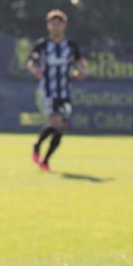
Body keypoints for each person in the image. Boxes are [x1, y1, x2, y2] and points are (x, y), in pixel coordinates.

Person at [27, 9, 85, 172]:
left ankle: (45, 159)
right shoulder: (43, 45)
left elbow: (80, 62)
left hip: (65, 91)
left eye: (58, 24)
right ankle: (37, 145)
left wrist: (81, 71)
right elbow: (31, 62)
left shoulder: (71, 45)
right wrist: (35, 70)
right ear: (48, 26)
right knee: (56, 121)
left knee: (61, 127)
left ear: (64, 25)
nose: (55, 27)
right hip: (49, 90)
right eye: (52, 24)